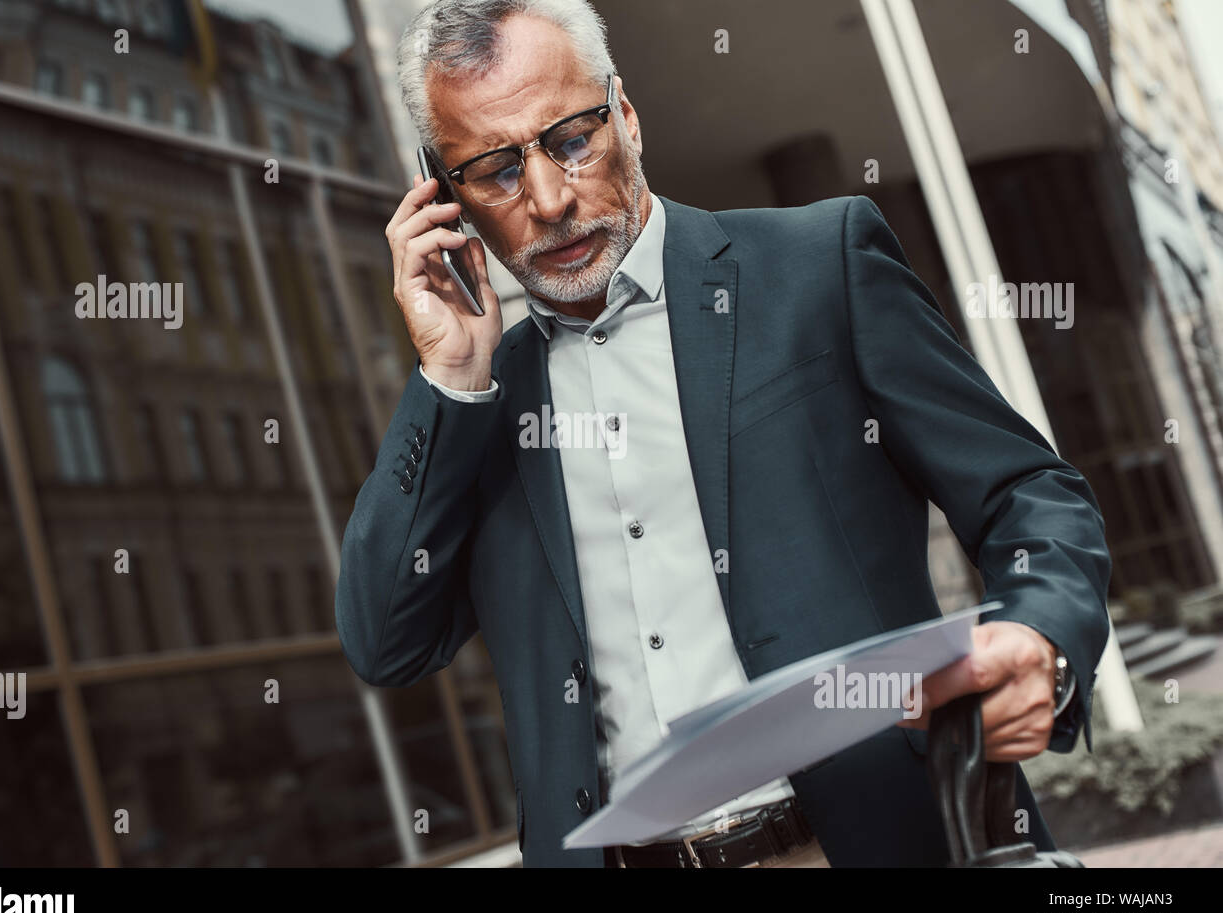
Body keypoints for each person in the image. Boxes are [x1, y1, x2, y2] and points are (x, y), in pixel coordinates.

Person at [335, 0, 1111, 868]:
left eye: (569, 140)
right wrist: (448, 380)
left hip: (869, 841)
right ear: (443, 193)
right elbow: (386, 642)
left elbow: (1027, 493)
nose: (549, 199)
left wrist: (1040, 634)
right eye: (495, 170)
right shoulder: (476, 405)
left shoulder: (822, 264)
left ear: (624, 114)